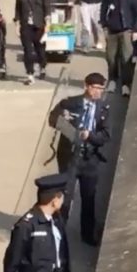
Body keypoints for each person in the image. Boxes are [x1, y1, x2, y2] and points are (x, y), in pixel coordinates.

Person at [48, 73, 111, 246]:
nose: (98, 92)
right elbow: (53, 119)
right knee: (65, 196)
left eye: (101, 89)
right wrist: (66, 123)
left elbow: (105, 135)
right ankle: (58, 234)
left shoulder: (103, 108)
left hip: (90, 158)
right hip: (70, 156)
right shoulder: (70, 103)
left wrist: (90, 136)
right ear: (87, 86)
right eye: (96, 88)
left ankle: (88, 234)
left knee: (89, 197)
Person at [14, 0, 51, 85]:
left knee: (40, 49)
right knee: (28, 51)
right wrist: (17, 25)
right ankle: (30, 74)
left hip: (39, 25)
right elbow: (17, 11)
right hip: (26, 26)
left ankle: (42, 66)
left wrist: (48, 23)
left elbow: (47, 8)